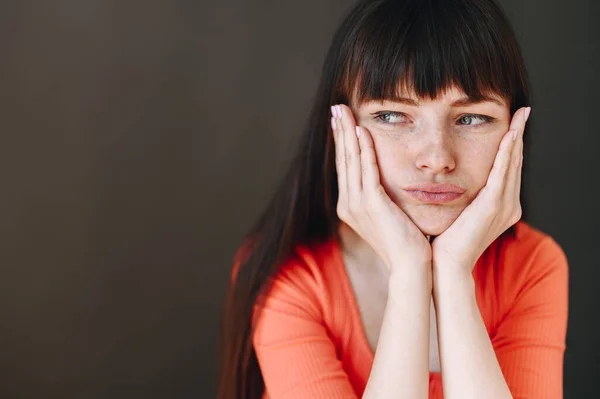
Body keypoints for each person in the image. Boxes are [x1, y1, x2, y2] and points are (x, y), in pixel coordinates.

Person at [217, 0, 569, 398]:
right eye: (392, 116)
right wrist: (409, 270)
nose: (437, 159)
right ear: (341, 128)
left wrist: (452, 275)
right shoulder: (289, 276)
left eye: (471, 118)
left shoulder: (532, 267)